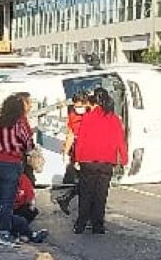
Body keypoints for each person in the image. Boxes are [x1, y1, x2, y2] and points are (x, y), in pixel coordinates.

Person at [71, 88, 128, 235]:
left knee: (86, 194)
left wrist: (77, 158)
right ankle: (98, 225)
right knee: (101, 195)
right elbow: (120, 141)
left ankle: (81, 224)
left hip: (88, 161)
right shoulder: (114, 119)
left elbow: (81, 140)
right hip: (106, 162)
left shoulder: (88, 118)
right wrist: (124, 159)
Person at [0, 92, 34, 247]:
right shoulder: (19, 124)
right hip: (11, 163)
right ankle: (4, 232)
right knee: (7, 200)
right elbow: (28, 144)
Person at [55, 91, 91, 216]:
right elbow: (70, 134)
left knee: (86, 182)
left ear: (86, 104)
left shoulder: (92, 115)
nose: (77, 109)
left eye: (80, 106)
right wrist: (66, 152)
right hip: (79, 151)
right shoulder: (72, 115)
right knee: (85, 182)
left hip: (90, 150)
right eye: (75, 106)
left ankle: (66, 199)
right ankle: (70, 201)